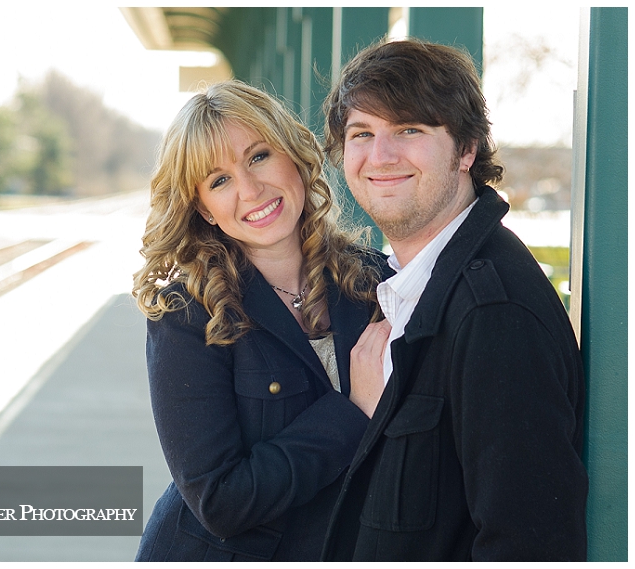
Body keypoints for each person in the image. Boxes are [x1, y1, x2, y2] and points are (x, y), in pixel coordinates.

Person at [319, 38, 588, 561]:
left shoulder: (493, 315)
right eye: (362, 134)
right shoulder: (414, 286)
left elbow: (528, 544)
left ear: (467, 150)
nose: (381, 156)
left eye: (409, 130)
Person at [132, 80, 388, 561]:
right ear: (203, 209)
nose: (250, 190)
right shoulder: (188, 316)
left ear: (292, 155)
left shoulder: (374, 282)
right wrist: (351, 412)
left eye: (258, 157)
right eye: (219, 180)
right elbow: (220, 501)